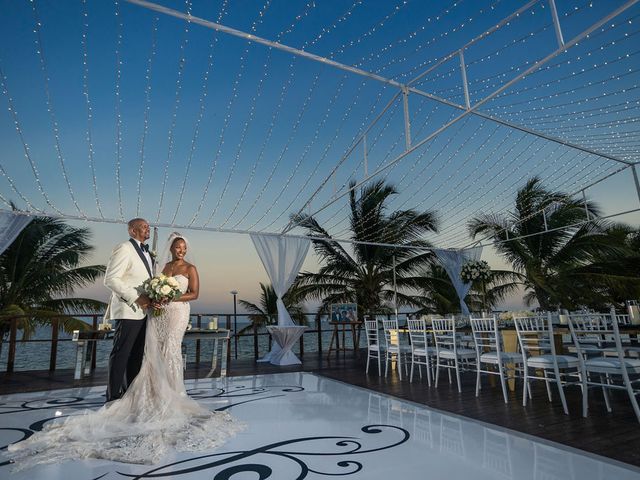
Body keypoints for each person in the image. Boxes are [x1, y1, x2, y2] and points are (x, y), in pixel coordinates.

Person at [7, 232, 243, 469]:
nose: (180, 250)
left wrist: (171, 295)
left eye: (183, 247)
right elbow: (151, 287)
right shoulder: (162, 267)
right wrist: (158, 297)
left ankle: (173, 392)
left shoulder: (190, 268)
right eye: (177, 247)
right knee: (154, 352)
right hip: (159, 313)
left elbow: (195, 293)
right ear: (171, 248)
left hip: (178, 312)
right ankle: (149, 392)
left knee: (170, 349)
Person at [104, 218, 153, 402]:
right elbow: (111, 279)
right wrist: (137, 298)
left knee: (137, 355)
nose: (147, 228)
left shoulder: (148, 253)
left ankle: (129, 394)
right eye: (143, 226)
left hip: (143, 312)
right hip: (128, 309)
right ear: (132, 231)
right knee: (121, 353)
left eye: (148, 226)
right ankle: (113, 397)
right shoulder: (124, 248)